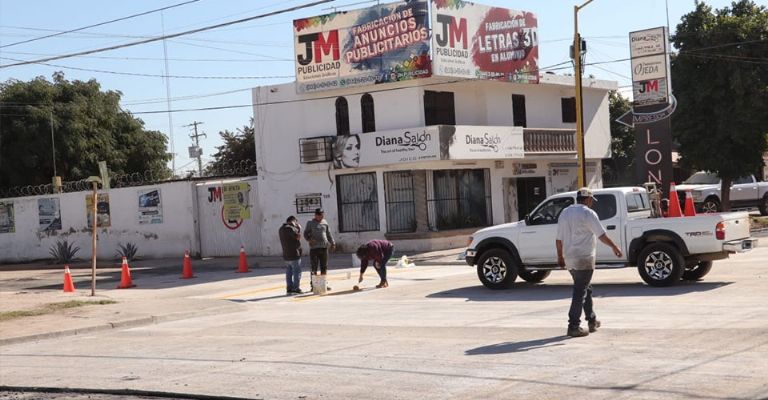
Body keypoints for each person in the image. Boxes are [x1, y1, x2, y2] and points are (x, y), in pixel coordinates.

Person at [556, 187, 623, 338]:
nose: (592, 202)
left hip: (570, 259)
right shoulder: (588, 213)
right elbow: (601, 235)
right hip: (584, 258)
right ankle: (573, 326)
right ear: (588, 199)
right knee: (580, 291)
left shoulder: (565, 213)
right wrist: (614, 247)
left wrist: (560, 257)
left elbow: (558, 239)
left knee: (586, 288)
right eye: (591, 200)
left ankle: (592, 320)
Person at [304, 208, 335, 290]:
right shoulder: (310, 223)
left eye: (322, 215)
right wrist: (309, 239)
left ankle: (323, 284)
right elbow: (305, 233)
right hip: (314, 249)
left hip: (324, 248)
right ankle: (313, 286)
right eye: (319, 215)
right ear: (315, 215)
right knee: (314, 267)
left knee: (324, 267)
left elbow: (329, 234)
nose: (321, 217)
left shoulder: (325, 222)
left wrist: (333, 243)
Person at [278, 216, 303, 295]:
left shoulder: (281, 229)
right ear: (293, 221)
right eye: (296, 222)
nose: (296, 224)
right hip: (294, 254)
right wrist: (298, 228)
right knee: (296, 272)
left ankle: (289, 288)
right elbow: (298, 237)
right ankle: (296, 288)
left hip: (286, 255)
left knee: (289, 272)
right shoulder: (291, 228)